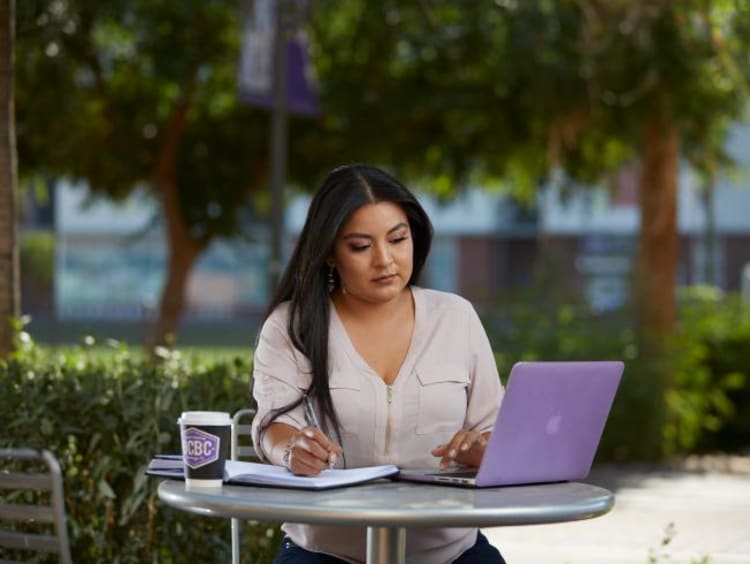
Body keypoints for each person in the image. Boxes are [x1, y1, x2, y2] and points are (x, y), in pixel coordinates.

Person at [251, 163, 506, 564]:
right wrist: (290, 450)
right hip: (326, 551)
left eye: (397, 239)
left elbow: (497, 433)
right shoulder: (291, 325)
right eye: (360, 246)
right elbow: (273, 424)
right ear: (330, 253)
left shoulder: (457, 318)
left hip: (449, 552)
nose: (385, 260)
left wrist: (482, 451)